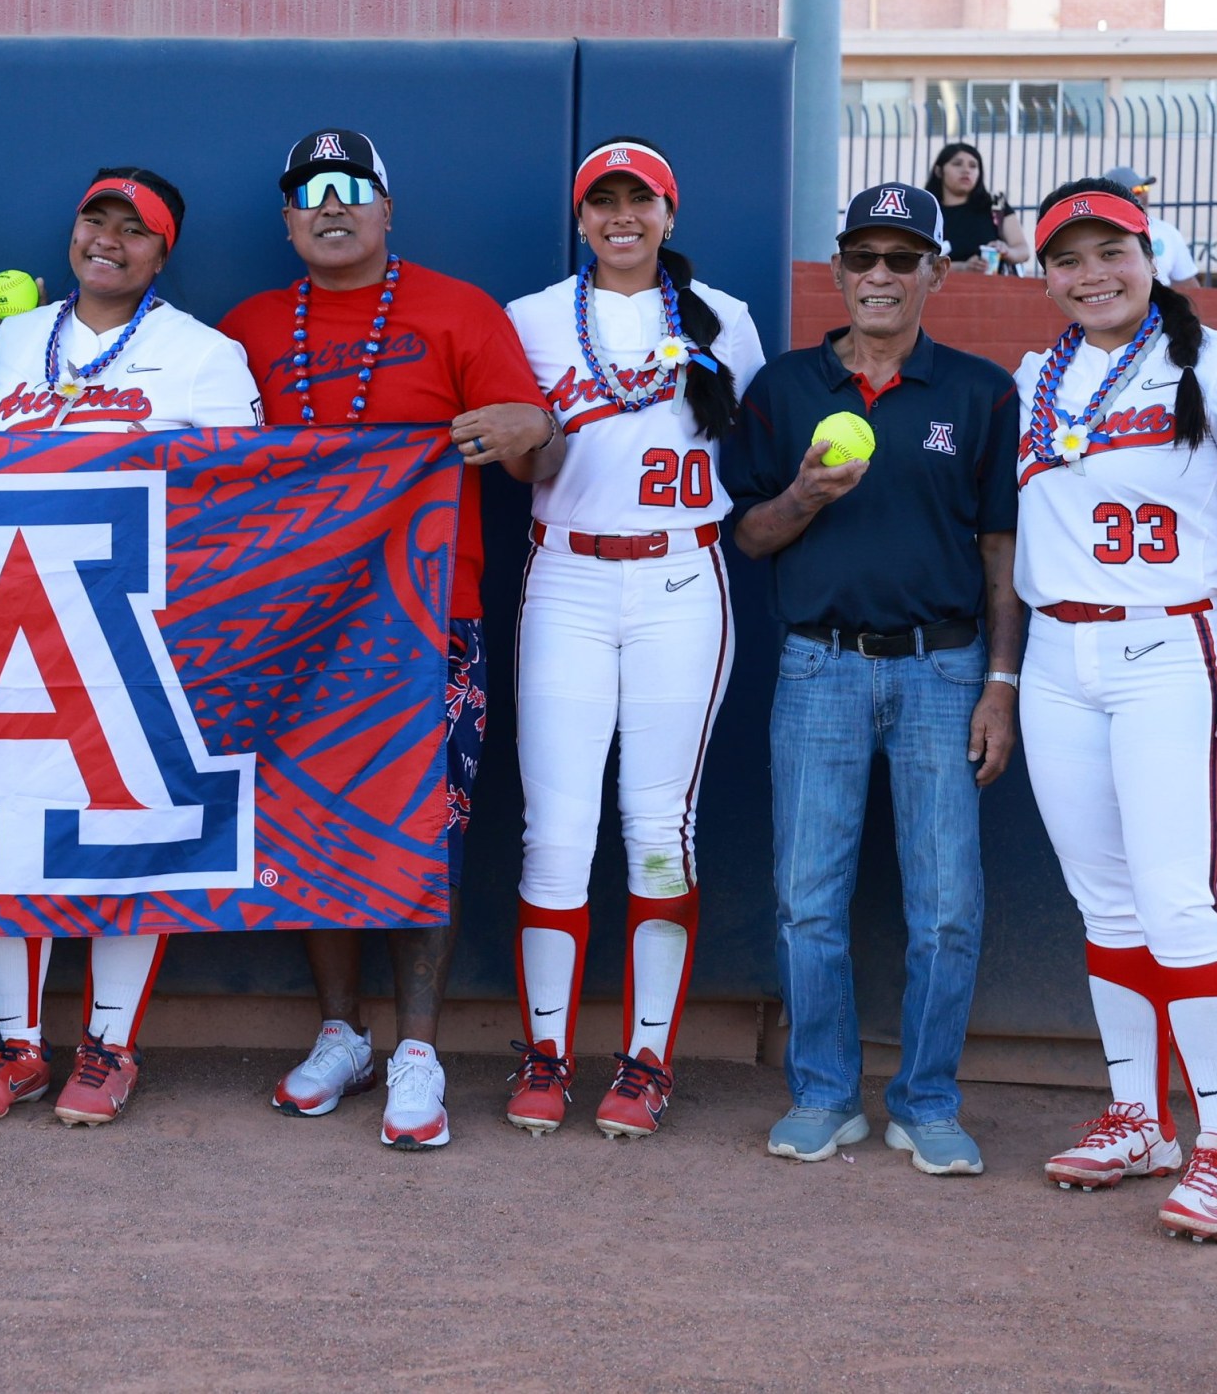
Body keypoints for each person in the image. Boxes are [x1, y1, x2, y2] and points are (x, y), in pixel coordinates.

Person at [218, 128, 554, 1149]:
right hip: (293, 624)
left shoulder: (460, 310)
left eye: (351, 187)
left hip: (425, 620)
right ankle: (343, 1033)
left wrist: (531, 432)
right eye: (309, 191)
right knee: (305, 822)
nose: (331, 204)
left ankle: (419, 1049)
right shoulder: (247, 325)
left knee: (426, 828)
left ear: (387, 207)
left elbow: (536, 444)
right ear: (286, 218)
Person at [0, 166, 260, 1129]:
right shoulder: (9, 343)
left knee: (136, 828)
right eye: (97, 220)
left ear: (164, 252)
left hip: (140, 630)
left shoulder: (205, 354)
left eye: (136, 229)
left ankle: (110, 1044)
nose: (109, 240)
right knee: (4, 823)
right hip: (7, 625)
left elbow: (246, 502)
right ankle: (18, 1045)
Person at [722, 182, 1020, 1175]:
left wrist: (1001, 684)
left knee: (947, 906)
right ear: (840, 271)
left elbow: (999, 552)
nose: (881, 277)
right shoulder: (784, 386)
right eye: (864, 258)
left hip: (944, 668)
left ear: (938, 270)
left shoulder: (980, 392)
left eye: (903, 259)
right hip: (820, 666)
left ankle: (927, 1099)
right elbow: (750, 535)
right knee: (808, 897)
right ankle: (823, 1092)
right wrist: (803, 492)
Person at [500, 138, 765, 1139]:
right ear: (580, 218)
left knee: (658, 831)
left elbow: (753, 442)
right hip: (566, 571)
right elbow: (524, 464)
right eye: (603, 199)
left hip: (679, 576)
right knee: (555, 835)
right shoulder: (530, 318)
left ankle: (647, 1057)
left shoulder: (724, 319)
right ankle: (545, 1054)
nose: (621, 215)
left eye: (639, 199)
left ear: (668, 212)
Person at [1013, 178, 1217, 1241]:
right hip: (1063, 649)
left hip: (1178, 642)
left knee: (1179, 900)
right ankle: (1139, 1118)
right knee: (1106, 903)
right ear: (1043, 273)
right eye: (1068, 257)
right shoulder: (1033, 381)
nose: (1091, 273)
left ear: (1153, 253)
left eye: (1113, 250)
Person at [926, 142, 1031, 273]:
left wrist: (1006, 251)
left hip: (992, 290)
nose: (966, 170)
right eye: (957, 164)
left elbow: (1023, 251)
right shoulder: (926, 210)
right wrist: (962, 267)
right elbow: (919, 262)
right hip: (937, 290)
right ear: (939, 171)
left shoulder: (996, 205)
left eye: (973, 165)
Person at [1106, 166, 1202, 292]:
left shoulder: (1167, 232)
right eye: (1136, 190)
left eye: (1144, 188)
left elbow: (1187, 283)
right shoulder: (1099, 233)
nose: (1143, 194)